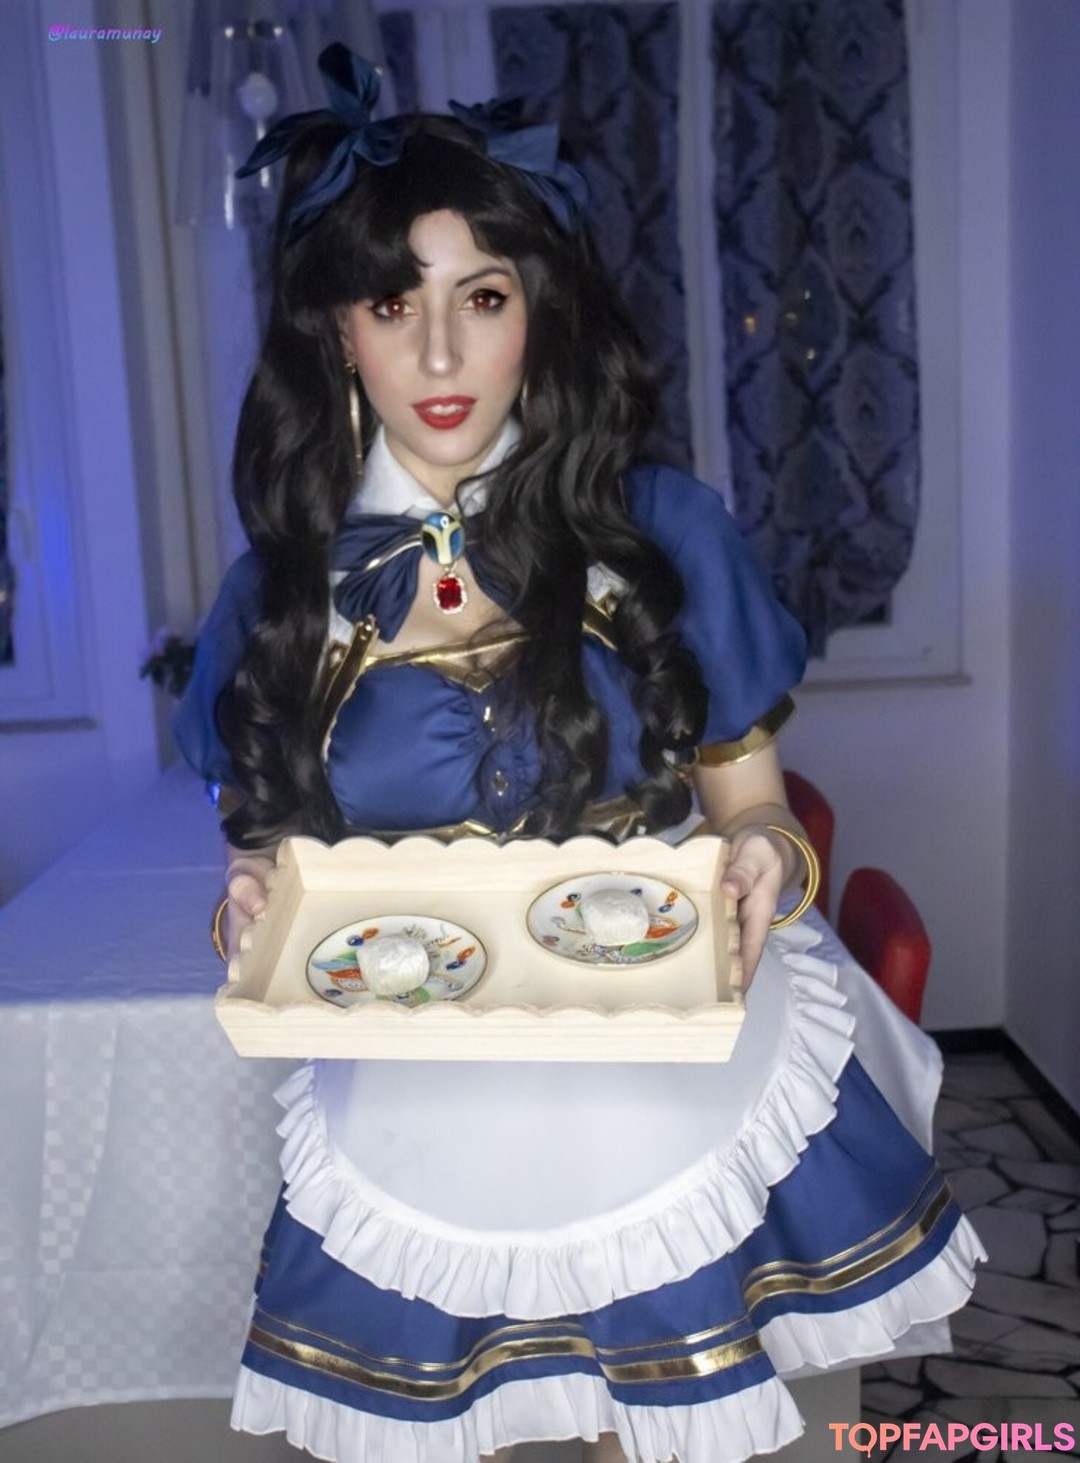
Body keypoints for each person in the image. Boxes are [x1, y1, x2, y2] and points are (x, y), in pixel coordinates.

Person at [175, 45, 982, 1463]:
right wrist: (257, 892)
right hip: (421, 1095)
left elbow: (753, 806)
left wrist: (762, 857)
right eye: (393, 304)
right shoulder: (277, 593)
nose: (439, 356)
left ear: (535, 315)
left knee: (655, 1429)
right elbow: (276, 846)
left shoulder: (660, 528)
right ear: (338, 333)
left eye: (482, 299)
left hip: (659, 1071)